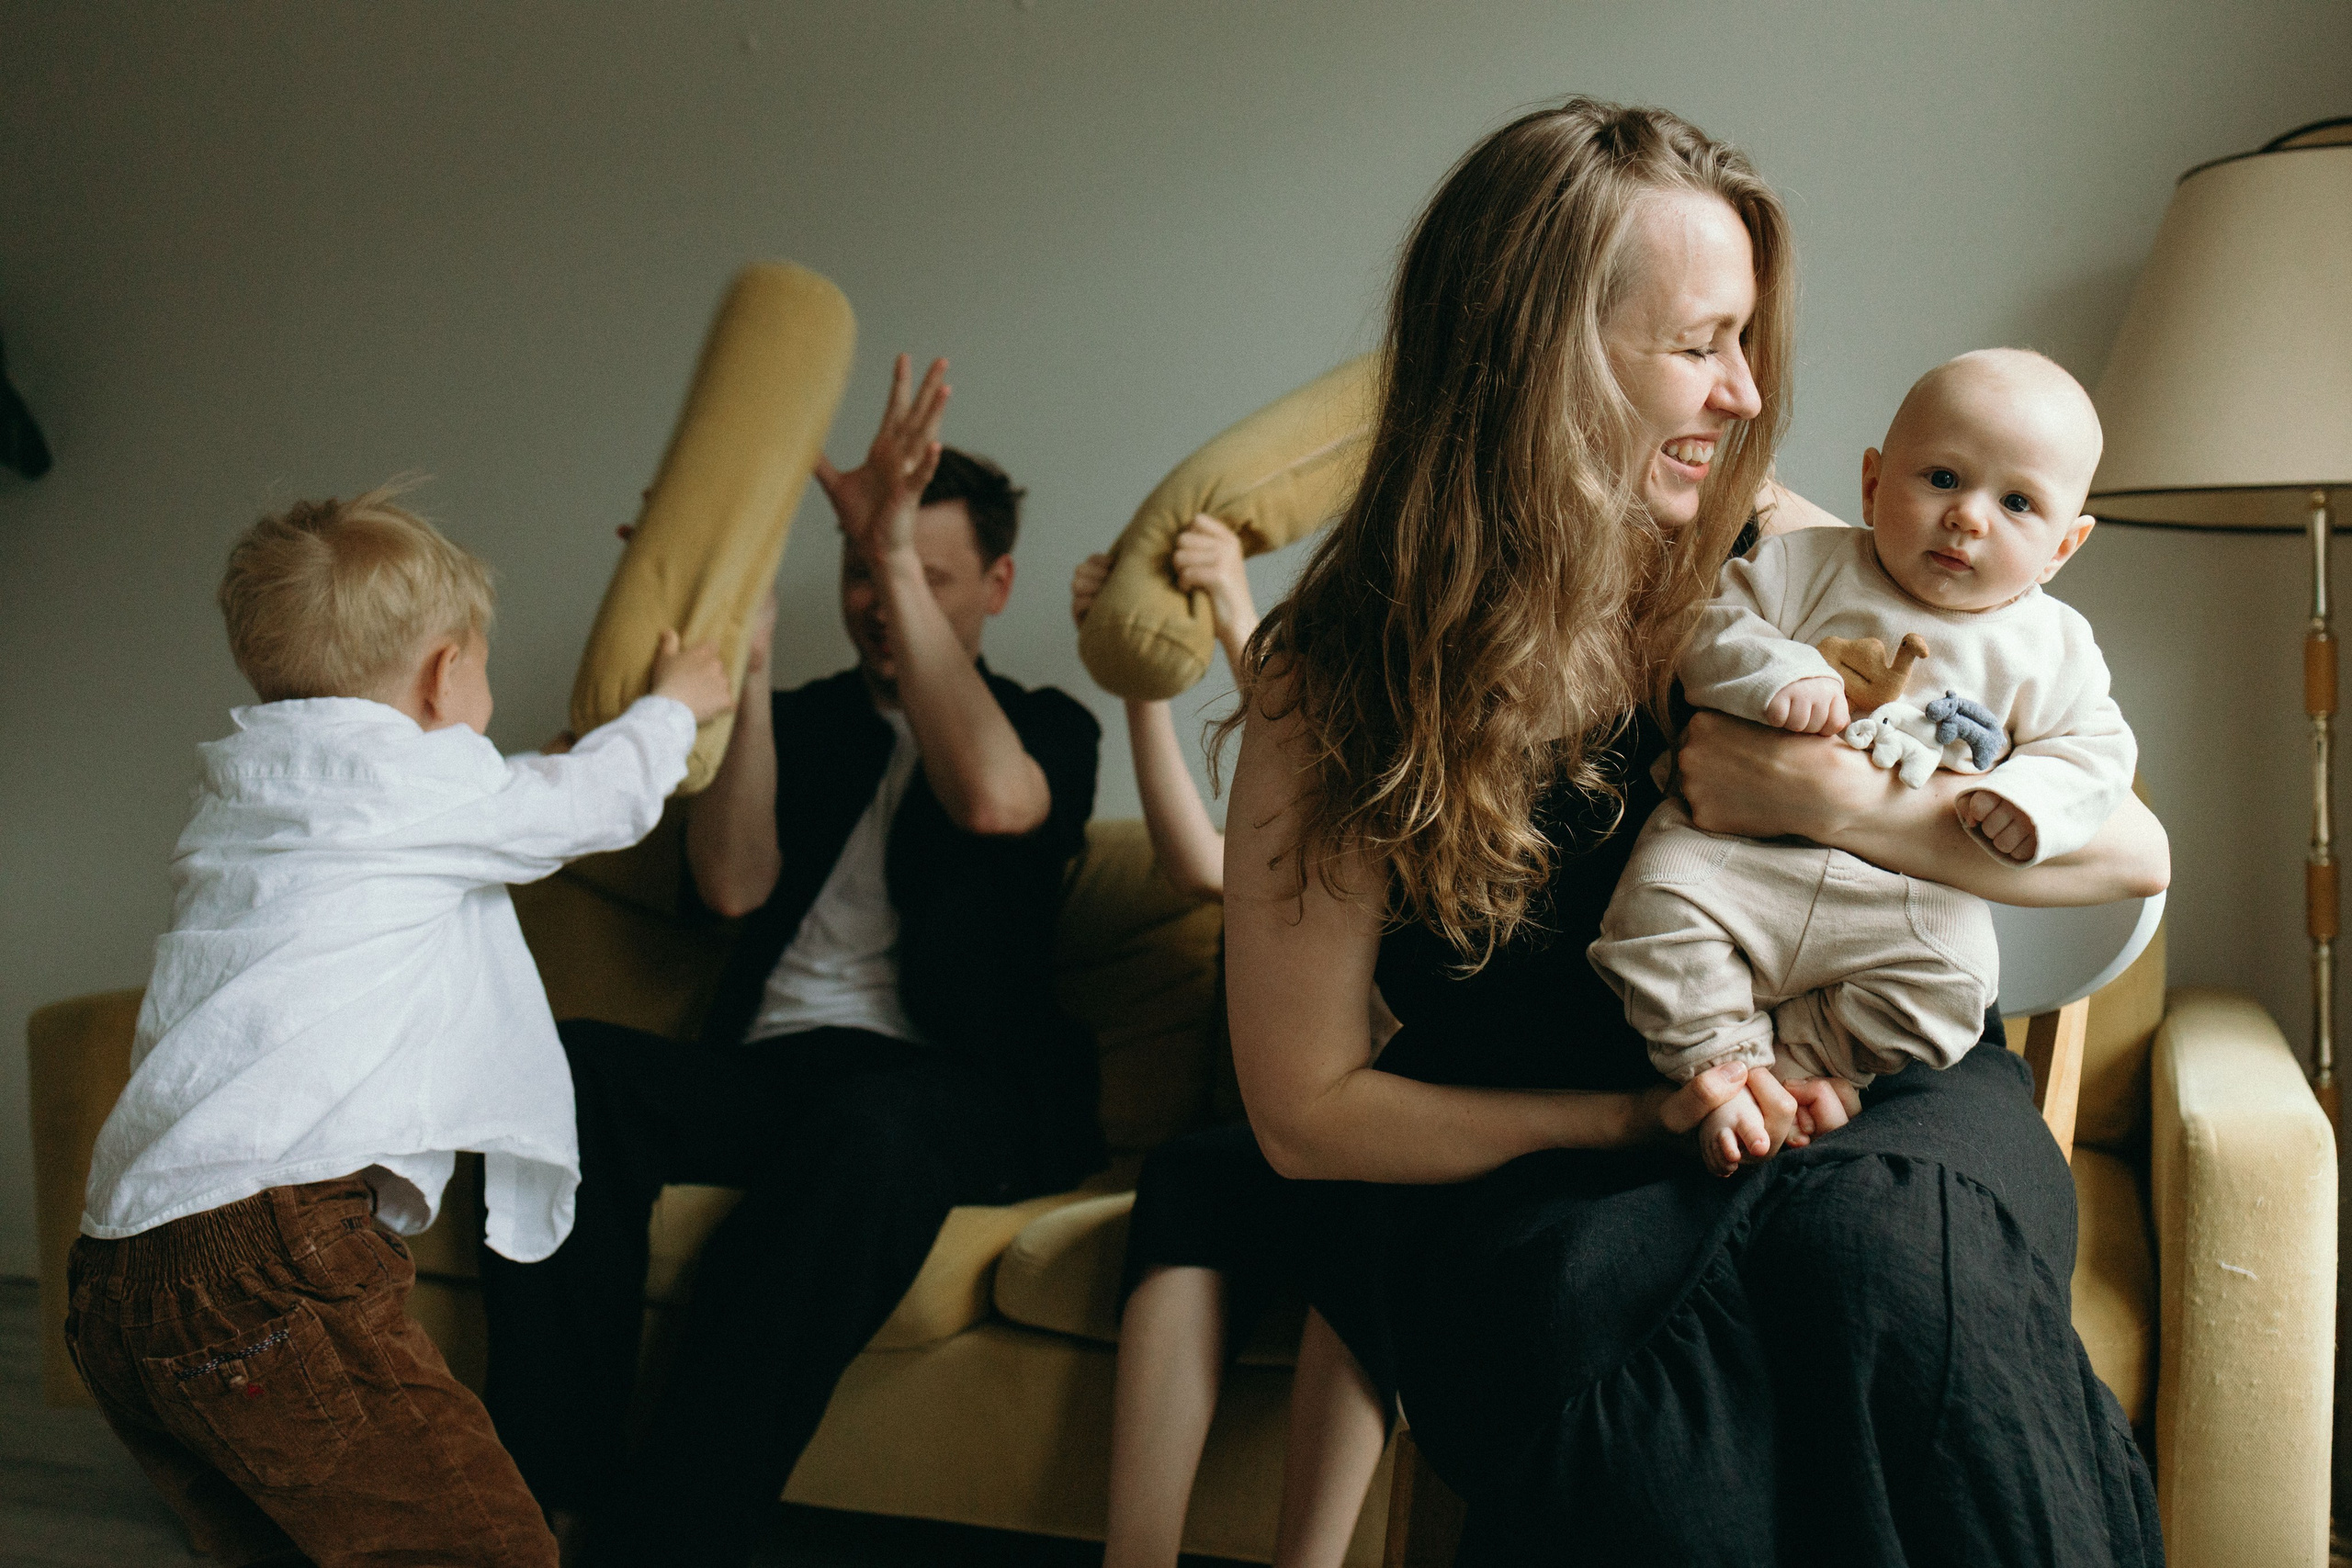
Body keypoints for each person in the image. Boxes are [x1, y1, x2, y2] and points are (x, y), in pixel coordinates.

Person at [1219, 98, 2169, 1563]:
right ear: (1537, 355)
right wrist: (1636, 1115)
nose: (1745, 393)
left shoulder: (1781, 551)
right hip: (1564, 1176)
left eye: (1747, 342)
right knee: (1668, 1462)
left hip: (1871, 1091)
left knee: (1898, 1265)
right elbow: (1304, 1112)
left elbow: (2129, 848)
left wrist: (1830, 800)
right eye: (1700, 343)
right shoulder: (1338, 673)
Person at [477, 355, 1104, 1567]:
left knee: (869, 1130)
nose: (878, 600)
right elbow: (731, 884)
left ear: (997, 585)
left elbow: (991, 801)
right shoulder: (814, 717)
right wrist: (749, 667)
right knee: (571, 1070)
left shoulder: (1045, 725)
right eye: (863, 572)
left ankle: (667, 1540)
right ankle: (545, 1500)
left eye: (922, 576)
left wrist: (886, 541)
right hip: (784, 1072)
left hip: (957, 1086)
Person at [69, 487, 732, 1568]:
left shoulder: (250, 790)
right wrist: (672, 707)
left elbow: (489, 802)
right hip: (266, 1263)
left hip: (120, 1276)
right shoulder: (419, 790)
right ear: (443, 672)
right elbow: (591, 802)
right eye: (482, 667)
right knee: (484, 1549)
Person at [1591, 348, 2135, 1174]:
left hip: (1899, 899)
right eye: (1943, 479)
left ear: (2064, 545)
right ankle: (1721, 1063)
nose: (1969, 517)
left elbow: (2097, 754)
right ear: (1874, 484)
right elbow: (1711, 633)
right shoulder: (1803, 564)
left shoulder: (2052, 647)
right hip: (1741, 861)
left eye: (2017, 502)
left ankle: (1807, 1065)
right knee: (1654, 906)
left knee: (1958, 980)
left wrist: (2028, 798)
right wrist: (1782, 671)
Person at [1072, 523, 1391, 1568]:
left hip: (1395, 1147)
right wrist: (1139, 679)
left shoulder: (1401, 801)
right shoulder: (1289, 847)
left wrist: (1235, 613)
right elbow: (1195, 862)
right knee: (1189, 1174)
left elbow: (1324, 736)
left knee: (1376, 1210)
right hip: (1280, 1141)